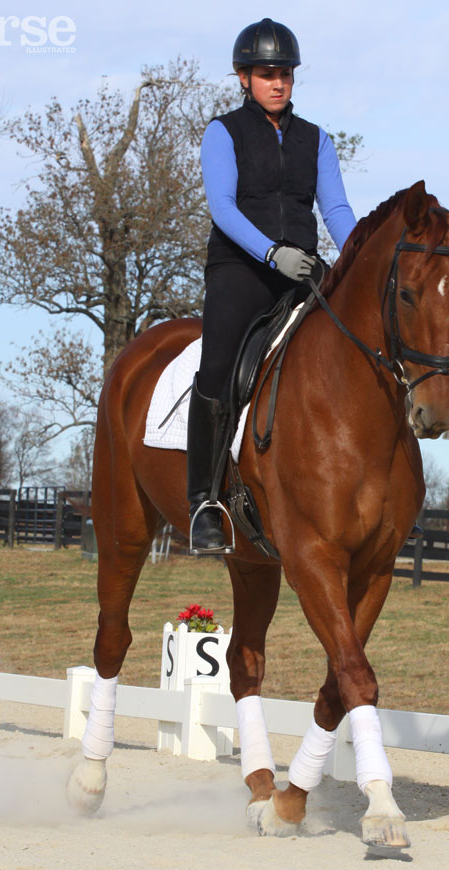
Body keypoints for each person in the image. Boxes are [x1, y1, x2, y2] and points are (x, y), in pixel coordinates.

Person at [188, 17, 357, 554]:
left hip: (304, 271)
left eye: (285, 73)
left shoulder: (317, 140)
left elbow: (334, 209)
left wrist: (357, 259)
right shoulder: (224, 132)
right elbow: (223, 207)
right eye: (266, 73)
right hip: (242, 269)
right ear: (243, 77)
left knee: (368, 347)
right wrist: (270, 252)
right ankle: (204, 503)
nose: (278, 82)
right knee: (217, 368)